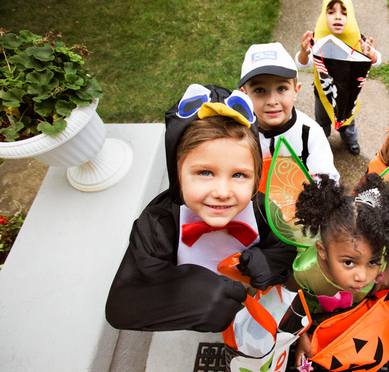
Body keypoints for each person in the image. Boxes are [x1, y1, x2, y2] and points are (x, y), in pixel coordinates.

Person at [105, 84, 297, 332]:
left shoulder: (263, 211)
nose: (222, 192)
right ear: (178, 174)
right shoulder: (158, 224)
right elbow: (121, 307)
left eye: (239, 175)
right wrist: (187, 297)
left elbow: (288, 247)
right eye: (205, 172)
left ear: (255, 176)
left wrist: (270, 261)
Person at [286, 172, 389, 365]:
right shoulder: (304, 272)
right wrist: (302, 334)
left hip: (352, 309)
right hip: (318, 314)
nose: (362, 277)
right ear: (322, 251)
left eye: (373, 262)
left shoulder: (380, 255)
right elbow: (291, 302)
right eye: (348, 262)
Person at [295, 0, 381, 155]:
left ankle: (350, 140)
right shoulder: (315, 39)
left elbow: (376, 63)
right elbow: (301, 66)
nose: (338, 17)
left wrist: (371, 53)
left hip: (347, 96)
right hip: (322, 93)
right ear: (323, 15)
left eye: (343, 12)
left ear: (350, 15)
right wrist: (303, 52)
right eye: (331, 12)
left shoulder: (358, 39)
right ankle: (320, 142)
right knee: (322, 121)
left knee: (347, 124)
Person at [238, 42, 339, 191]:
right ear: (244, 94)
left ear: (295, 91)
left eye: (282, 88)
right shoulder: (238, 133)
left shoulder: (309, 132)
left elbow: (327, 181)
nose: (272, 101)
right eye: (259, 90)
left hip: (299, 207)